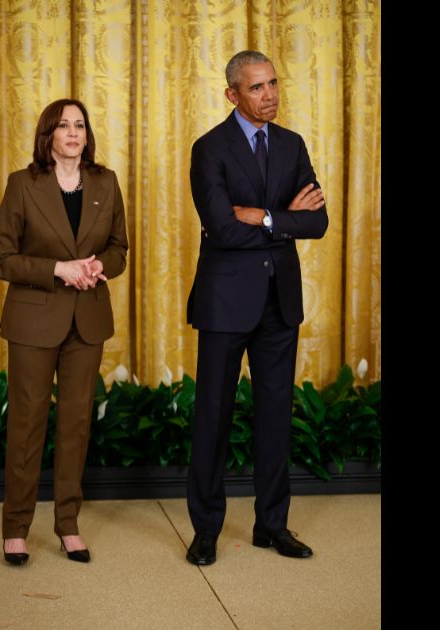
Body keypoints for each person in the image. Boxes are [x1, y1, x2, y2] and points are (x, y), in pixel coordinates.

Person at [184, 51, 328, 565]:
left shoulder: (292, 145)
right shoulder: (209, 149)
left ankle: (273, 525)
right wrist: (283, 218)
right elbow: (220, 228)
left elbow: (318, 223)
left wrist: (264, 217)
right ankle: (205, 529)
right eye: (257, 88)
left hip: (279, 303)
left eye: (273, 84)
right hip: (225, 303)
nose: (269, 95)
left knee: (275, 419)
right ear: (232, 95)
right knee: (214, 418)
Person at [0, 98, 128, 565]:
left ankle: (68, 524)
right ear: (48, 134)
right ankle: (15, 528)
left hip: (87, 319)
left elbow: (118, 249)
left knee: (76, 425)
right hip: (33, 320)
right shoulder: (23, 185)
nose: (73, 132)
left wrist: (95, 267)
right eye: (63, 125)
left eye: (80, 125)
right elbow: (2, 258)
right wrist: (58, 269)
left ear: (87, 135)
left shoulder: (105, 183)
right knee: (26, 425)